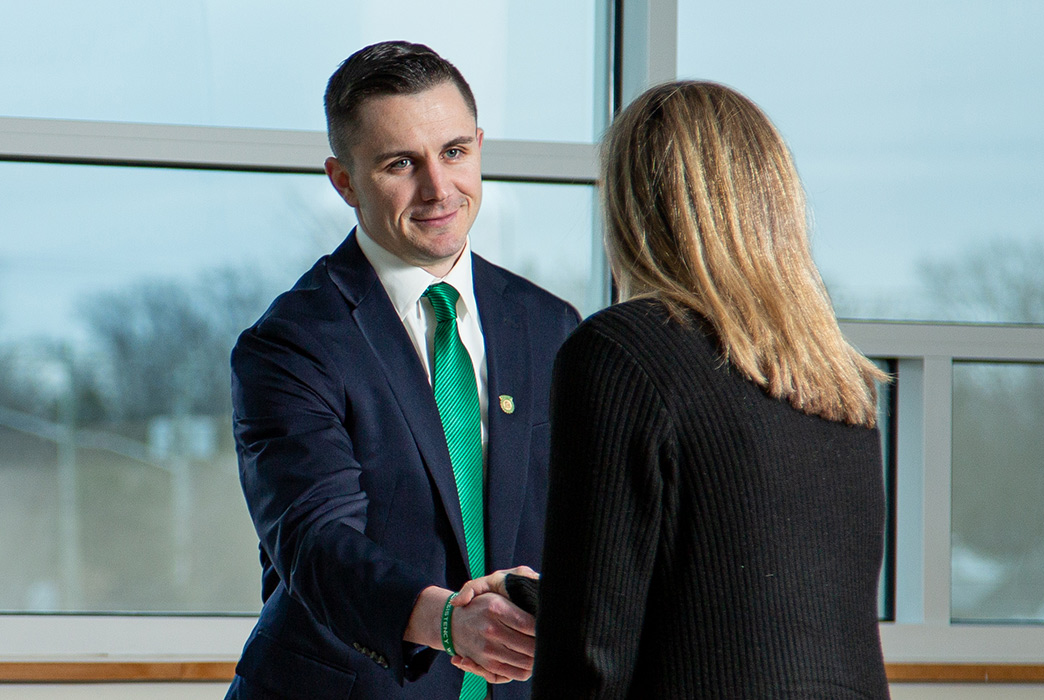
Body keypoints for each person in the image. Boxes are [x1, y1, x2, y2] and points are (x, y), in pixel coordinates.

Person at [225, 41, 579, 700]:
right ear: (343, 180)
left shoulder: (549, 325)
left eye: (453, 153)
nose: (438, 189)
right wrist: (447, 622)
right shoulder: (290, 345)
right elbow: (316, 543)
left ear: (478, 145)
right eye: (399, 164)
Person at [530, 81, 892, 698]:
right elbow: (756, 611)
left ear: (634, 204)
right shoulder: (837, 377)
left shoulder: (621, 351)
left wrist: (565, 610)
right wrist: (544, 598)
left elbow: (592, 655)